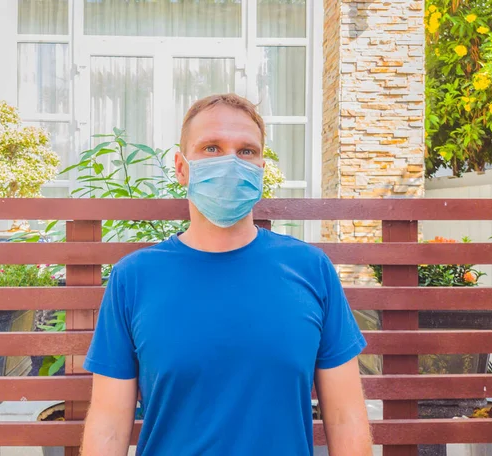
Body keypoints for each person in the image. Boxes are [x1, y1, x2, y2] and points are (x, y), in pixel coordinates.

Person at [81, 94, 372, 455]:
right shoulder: (134, 279)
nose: (230, 163)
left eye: (246, 151)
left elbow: (347, 419)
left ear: (262, 167)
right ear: (182, 167)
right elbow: (108, 426)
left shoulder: (311, 270)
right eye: (211, 148)